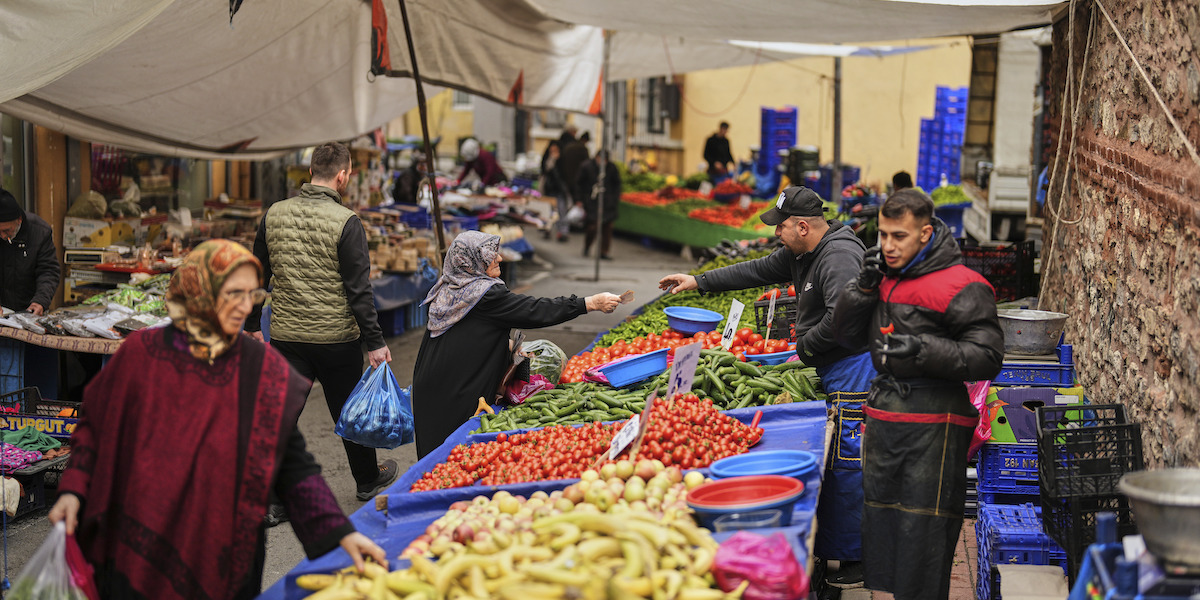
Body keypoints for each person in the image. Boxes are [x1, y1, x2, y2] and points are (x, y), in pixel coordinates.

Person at [48, 240, 386, 600]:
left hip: (222, 551)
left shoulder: (261, 368)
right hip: (137, 540)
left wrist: (338, 533)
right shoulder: (141, 355)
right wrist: (73, 489)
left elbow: (292, 464)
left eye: (251, 294)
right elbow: (96, 429)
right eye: (232, 293)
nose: (244, 306)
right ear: (198, 290)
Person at [658, 186, 875, 587]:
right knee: (842, 458)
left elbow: (845, 320)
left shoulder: (840, 256)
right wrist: (698, 281)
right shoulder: (802, 253)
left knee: (848, 461)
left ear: (803, 227)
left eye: (781, 227)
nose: (776, 233)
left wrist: (805, 344)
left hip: (854, 369)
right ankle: (840, 550)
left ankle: (855, 561)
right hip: (835, 366)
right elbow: (755, 269)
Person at [832, 189, 1003, 600]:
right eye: (883, 235)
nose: (888, 246)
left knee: (924, 529)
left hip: (936, 423)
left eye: (899, 236)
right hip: (887, 416)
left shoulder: (964, 285)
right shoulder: (882, 278)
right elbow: (845, 335)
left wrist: (923, 350)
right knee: (885, 522)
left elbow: (988, 356)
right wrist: (862, 288)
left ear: (926, 233)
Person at [246, 142, 397, 516]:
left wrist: (251, 326)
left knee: (281, 417)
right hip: (336, 341)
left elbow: (255, 275)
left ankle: (274, 501)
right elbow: (358, 291)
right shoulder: (346, 222)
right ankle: (366, 480)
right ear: (343, 176)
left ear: (310, 171)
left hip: (286, 338)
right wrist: (375, 343)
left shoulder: (274, 214)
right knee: (349, 411)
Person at [412, 231, 622, 458]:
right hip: (457, 387)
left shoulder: (450, 287)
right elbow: (536, 310)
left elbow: (469, 330)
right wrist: (588, 303)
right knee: (452, 454)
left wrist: (504, 341)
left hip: (431, 382)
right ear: (472, 260)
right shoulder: (485, 295)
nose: (499, 258)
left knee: (437, 452)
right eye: (490, 254)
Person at [0, 188, 60, 315]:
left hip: (28, 309)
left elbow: (48, 271)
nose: (2, 236)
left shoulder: (40, 231)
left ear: (19, 220)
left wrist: (40, 301)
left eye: (7, 231)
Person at [576, 149, 621, 260]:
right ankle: (587, 245)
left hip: (608, 202)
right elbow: (578, 184)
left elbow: (617, 184)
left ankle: (604, 251)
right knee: (592, 226)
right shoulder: (586, 166)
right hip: (591, 201)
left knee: (607, 228)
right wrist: (579, 199)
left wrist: (614, 198)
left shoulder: (611, 168)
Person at [540, 141, 570, 243]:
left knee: (561, 211)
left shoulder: (563, 161)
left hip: (559, 189)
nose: (553, 153)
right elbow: (544, 170)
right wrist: (551, 161)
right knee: (548, 211)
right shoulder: (547, 160)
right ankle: (547, 229)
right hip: (549, 189)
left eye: (555, 151)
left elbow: (564, 175)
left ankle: (563, 232)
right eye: (551, 151)